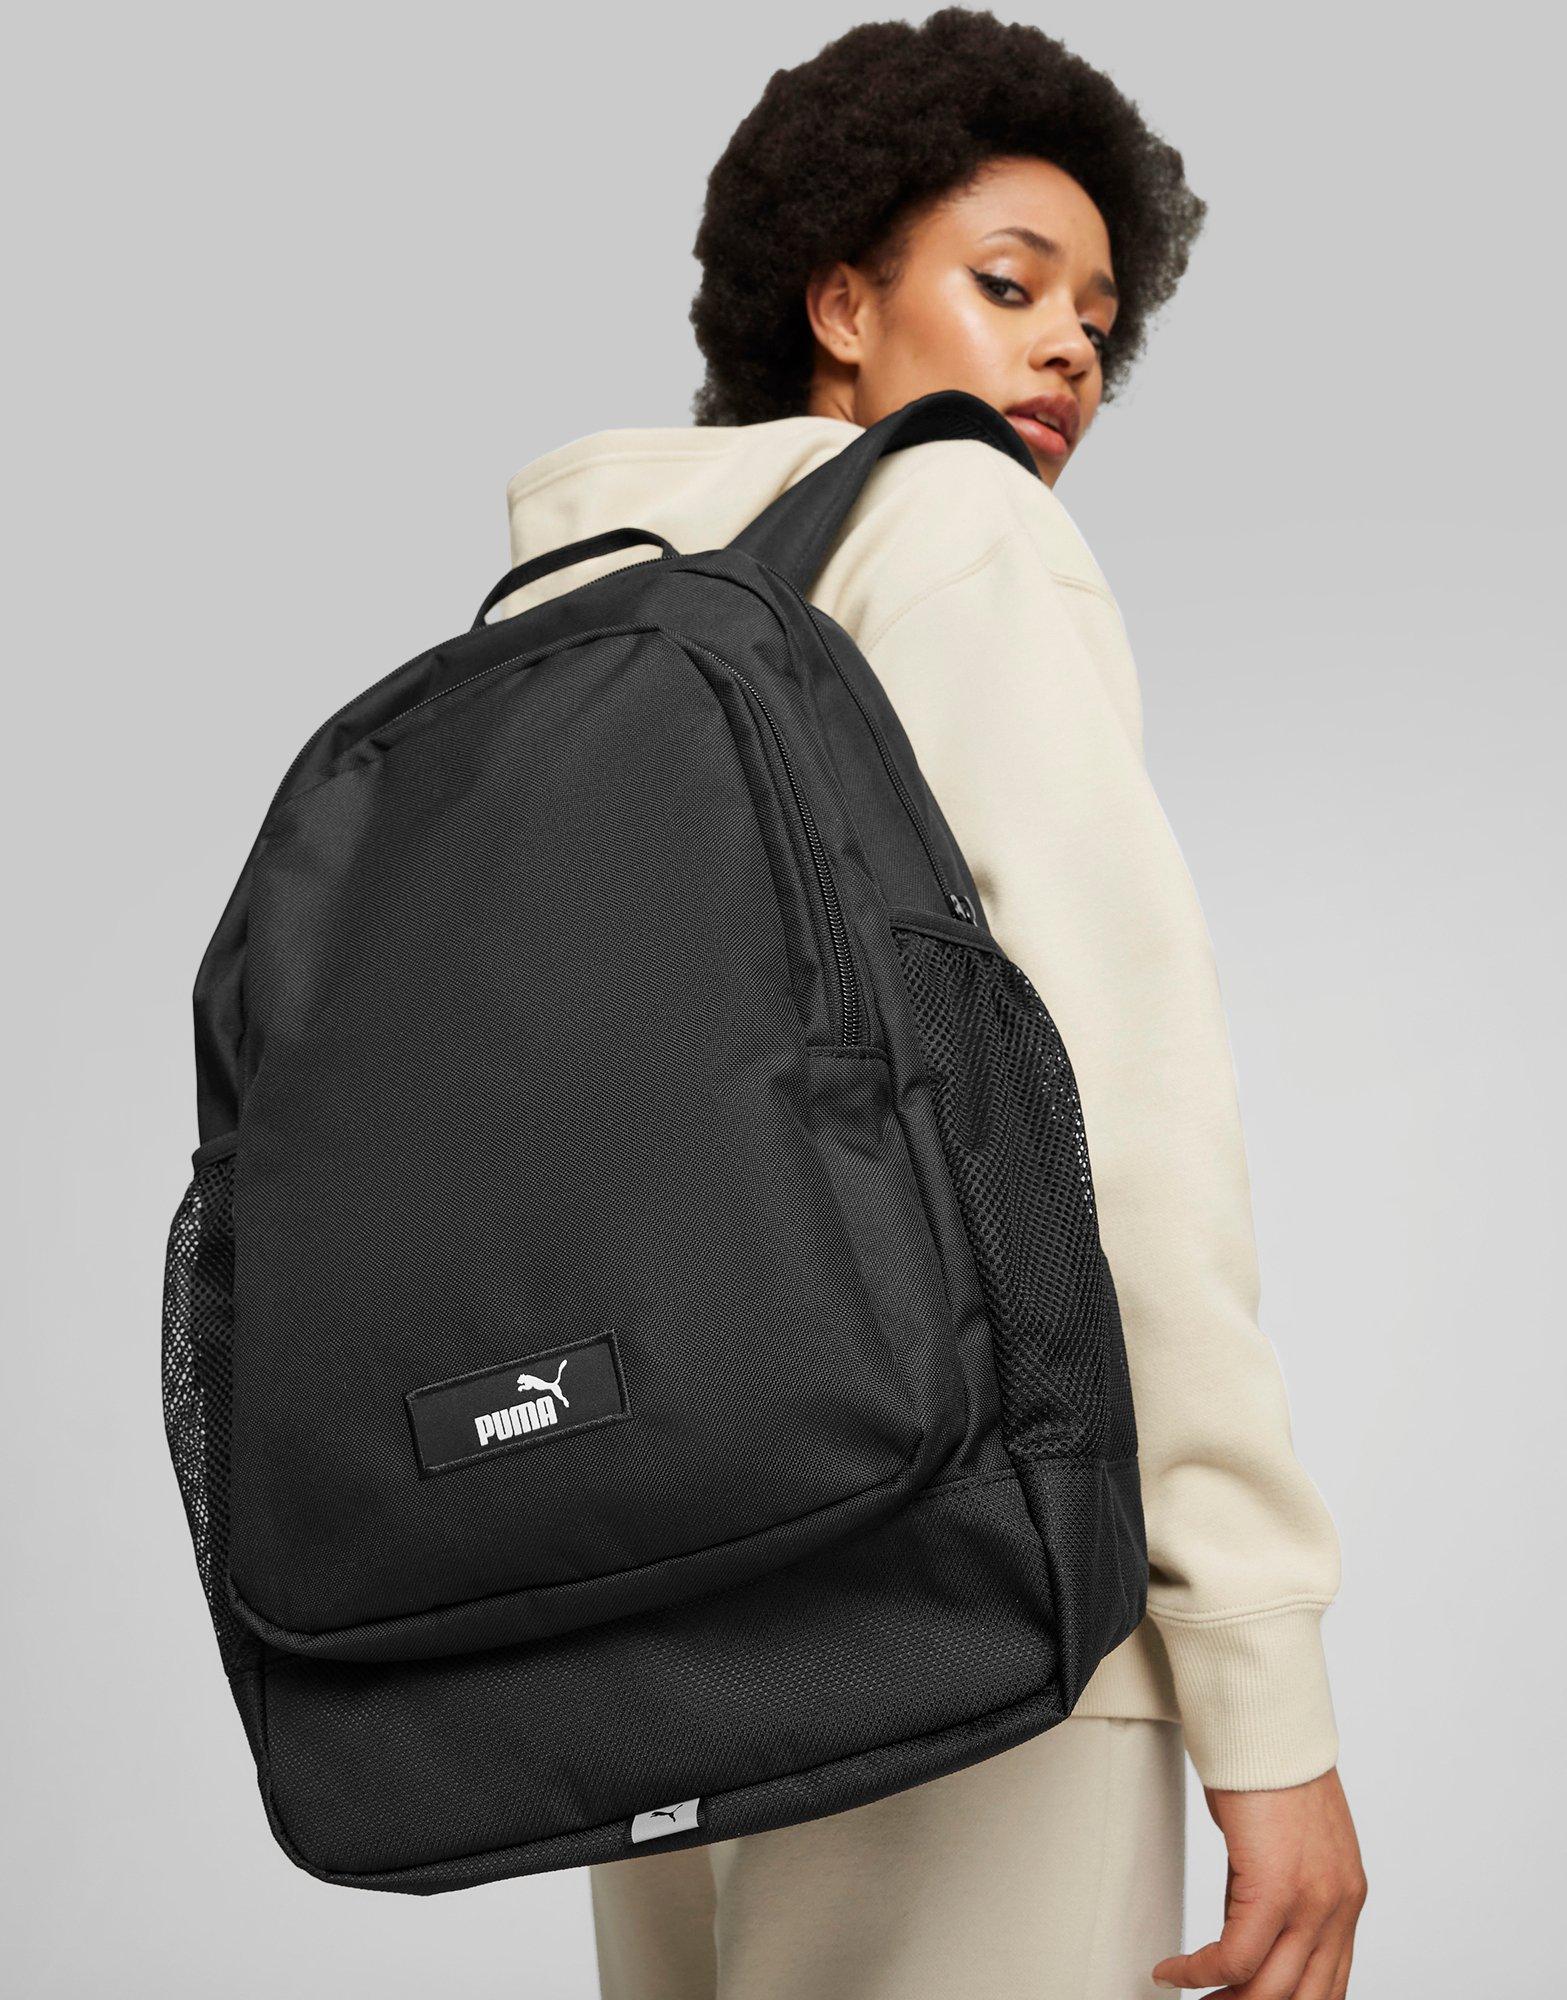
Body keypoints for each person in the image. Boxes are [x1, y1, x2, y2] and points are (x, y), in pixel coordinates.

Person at [497, 10, 1367, 1996]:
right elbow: (1114, 1124)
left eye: (1098, 319)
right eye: (1008, 284)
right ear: (838, 306)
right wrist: (1259, 1679)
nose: (1068, 351)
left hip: (652, 1599)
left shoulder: (576, 615)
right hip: (978, 1591)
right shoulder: (961, 530)